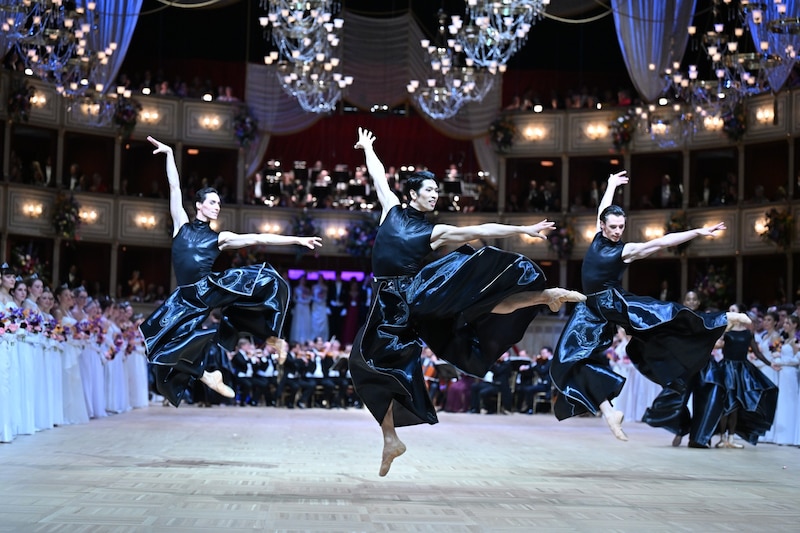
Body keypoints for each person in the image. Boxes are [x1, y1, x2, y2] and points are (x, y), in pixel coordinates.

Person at [349, 127, 585, 476]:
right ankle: (390, 440)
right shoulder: (391, 211)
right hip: (395, 302)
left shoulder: (435, 231)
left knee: (364, 361)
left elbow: (482, 229)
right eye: (429, 190)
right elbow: (378, 175)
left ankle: (542, 296)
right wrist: (368, 147)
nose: (435, 196)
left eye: (436, 191)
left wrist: (522, 229)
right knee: (376, 363)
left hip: (411, 296)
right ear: (413, 193)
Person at [551, 170, 752, 441]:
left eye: (621, 227)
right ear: (602, 226)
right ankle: (609, 412)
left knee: (662, 316)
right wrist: (610, 184)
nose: (618, 231)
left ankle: (724, 319)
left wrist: (698, 232)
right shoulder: (599, 237)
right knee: (565, 360)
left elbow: (661, 242)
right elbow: (603, 208)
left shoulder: (624, 251)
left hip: (611, 304)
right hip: (590, 309)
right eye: (613, 227)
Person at [139, 136, 322, 407]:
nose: (216, 206)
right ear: (199, 205)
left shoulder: (219, 237)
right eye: (212, 202)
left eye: (218, 204)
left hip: (207, 289)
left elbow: (260, 237)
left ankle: (273, 338)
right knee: (157, 345)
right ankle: (207, 376)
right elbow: (174, 185)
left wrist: (296, 240)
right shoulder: (181, 226)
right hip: (185, 298)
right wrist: (168, 154)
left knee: (264, 280)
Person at [711, 304, 778, 448]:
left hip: (742, 370)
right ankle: (722, 437)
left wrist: (769, 363)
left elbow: (757, 352)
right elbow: (716, 344)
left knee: (736, 405)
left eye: (734, 310)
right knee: (725, 404)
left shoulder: (748, 334)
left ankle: (731, 437)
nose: (731, 313)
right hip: (727, 369)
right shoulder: (726, 332)